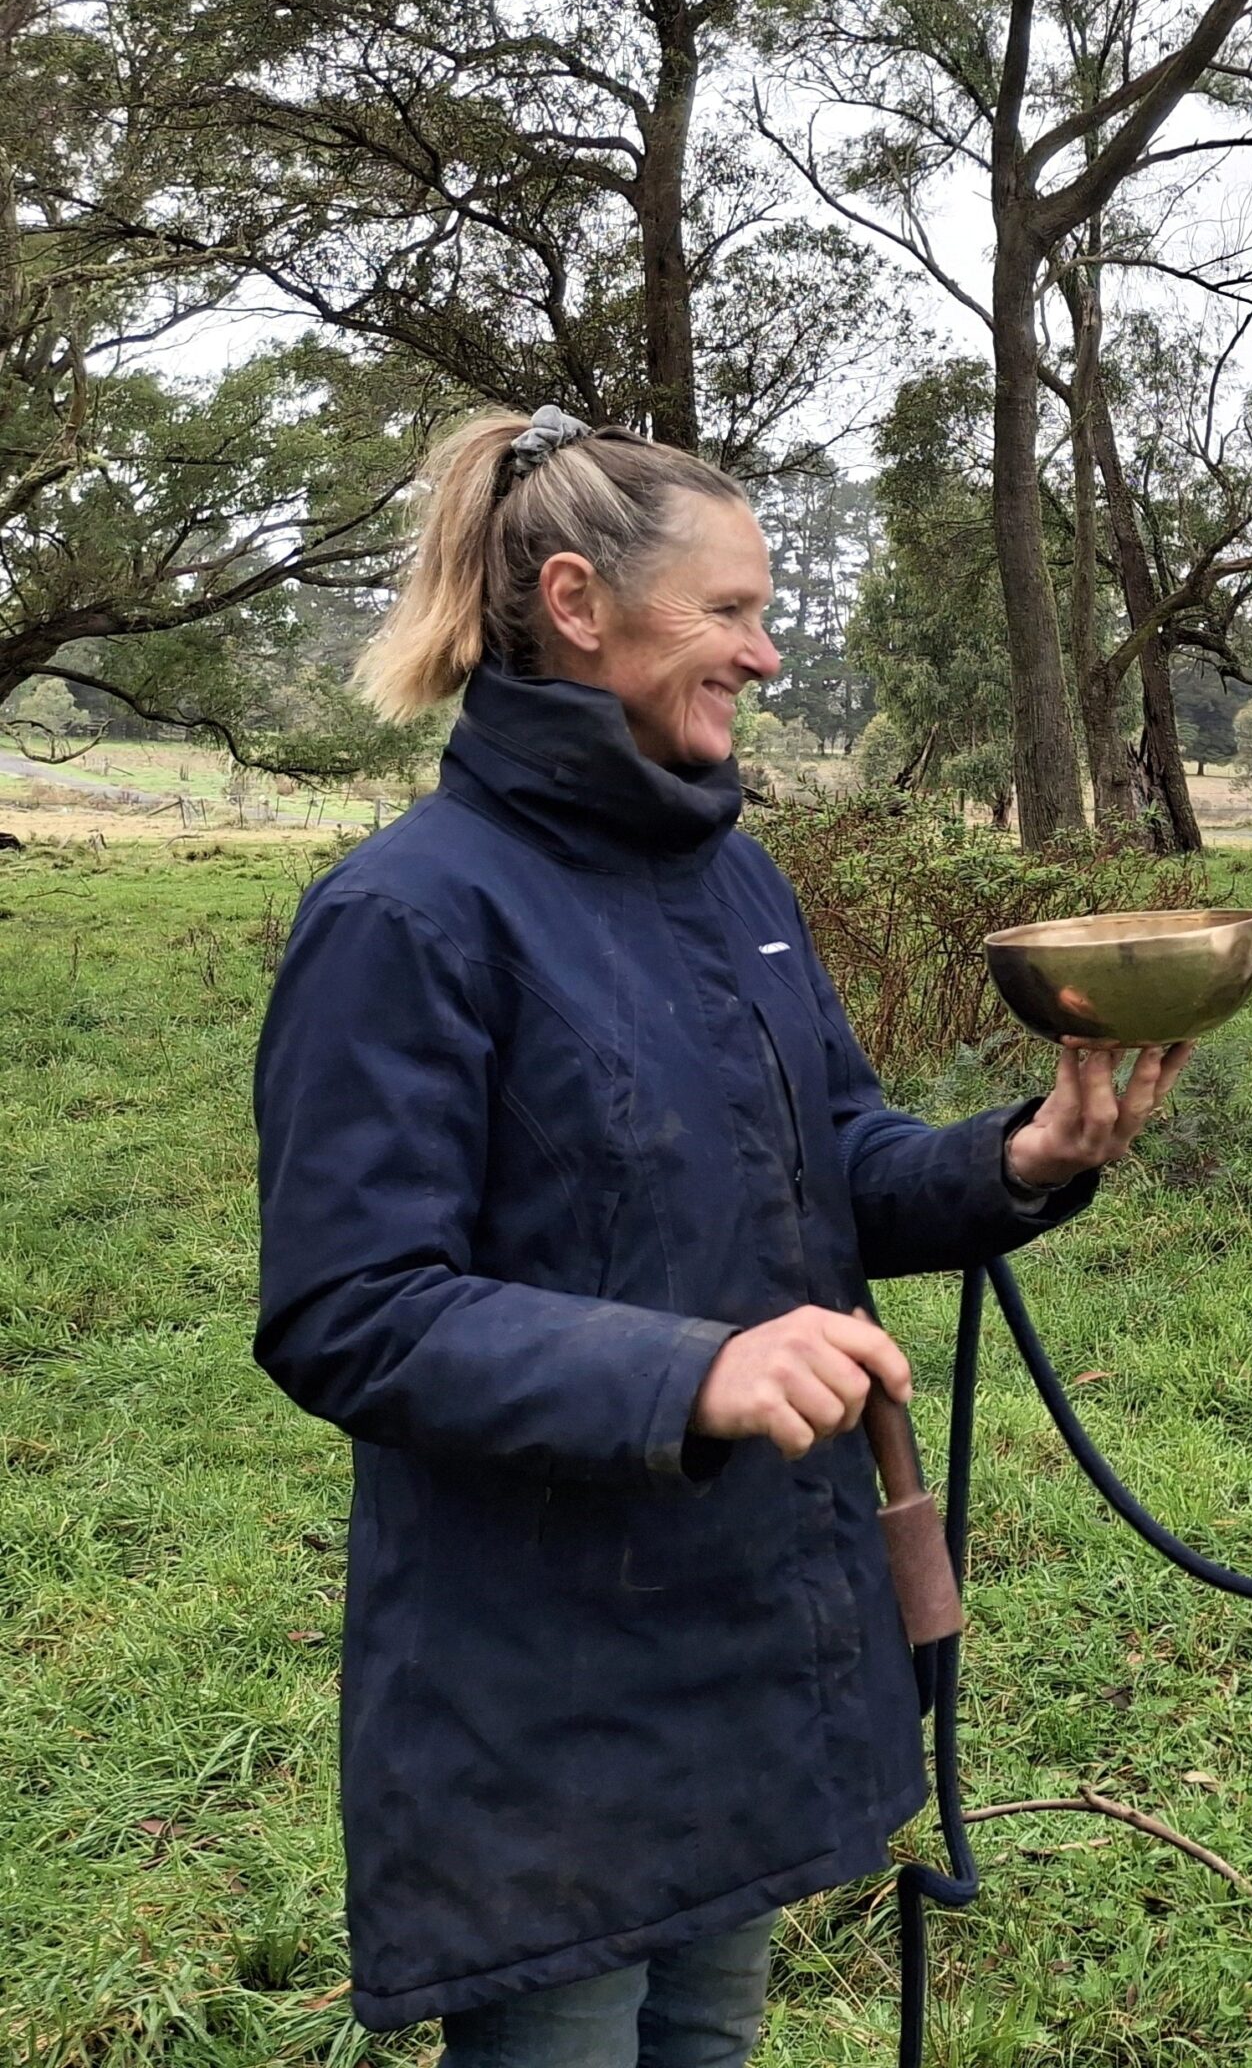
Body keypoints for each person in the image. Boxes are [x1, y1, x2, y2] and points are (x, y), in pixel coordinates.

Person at [253, 407, 1187, 2062]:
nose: (765, 656)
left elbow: (831, 1153)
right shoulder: (408, 915)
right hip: (539, 1688)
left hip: (749, 1627)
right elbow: (352, 1309)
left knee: (717, 2043)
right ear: (577, 602)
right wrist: (695, 1373)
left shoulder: (732, 884)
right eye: (732, 613)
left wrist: (1021, 1159)